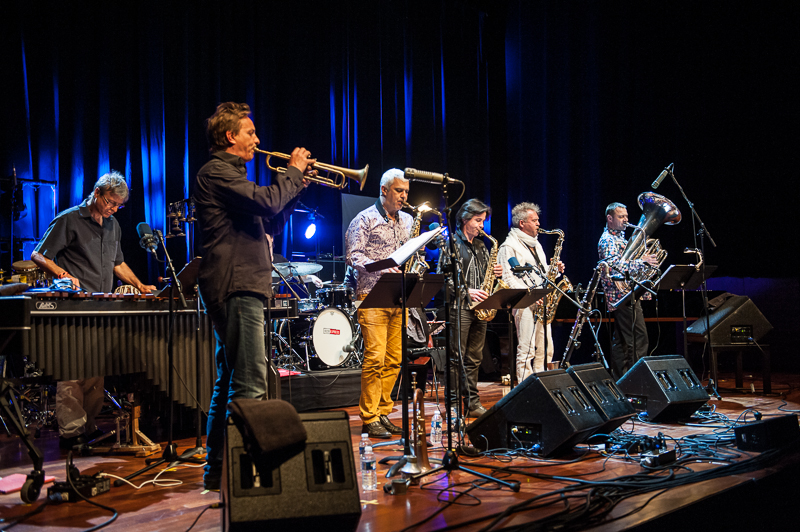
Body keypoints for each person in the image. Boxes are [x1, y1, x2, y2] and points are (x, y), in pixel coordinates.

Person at [194, 102, 311, 490]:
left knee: (230, 381)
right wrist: (292, 172)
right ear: (231, 136)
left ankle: (218, 472)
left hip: (242, 283)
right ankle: (245, 481)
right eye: (250, 133)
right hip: (236, 285)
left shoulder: (235, 179)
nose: (257, 140)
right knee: (250, 385)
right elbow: (267, 201)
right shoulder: (216, 172)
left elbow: (272, 218)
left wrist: (297, 187)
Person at [31, 171, 156, 448]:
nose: (114, 209)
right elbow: (38, 254)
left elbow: (117, 264)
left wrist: (139, 285)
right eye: (110, 202)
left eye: (119, 206)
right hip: (73, 307)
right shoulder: (69, 219)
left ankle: (88, 427)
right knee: (72, 371)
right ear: (97, 192)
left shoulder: (113, 225)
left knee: (95, 370)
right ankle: (71, 433)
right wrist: (62, 273)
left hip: (101, 308)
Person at [345, 168, 412, 439]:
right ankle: (370, 416)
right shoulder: (364, 219)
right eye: (399, 191)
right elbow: (353, 256)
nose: (404, 196)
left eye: (406, 191)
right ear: (384, 190)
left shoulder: (407, 220)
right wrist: (383, 267)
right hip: (371, 296)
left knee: (394, 359)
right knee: (375, 358)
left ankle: (383, 413)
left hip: (398, 296)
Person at [439, 198, 502, 418]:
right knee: (455, 359)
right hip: (460, 307)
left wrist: (495, 273)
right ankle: (453, 405)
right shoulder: (451, 243)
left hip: (480, 309)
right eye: (477, 220)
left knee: (474, 359)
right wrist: (467, 292)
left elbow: (485, 276)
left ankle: (472, 403)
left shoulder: (482, 246)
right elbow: (443, 279)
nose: (481, 226)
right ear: (465, 219)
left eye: (483, 221)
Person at [498, 202, 564, 382]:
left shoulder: (536, 244)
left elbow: (540, 273)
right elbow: (508, 279)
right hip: (524, 303)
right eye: (534, 220)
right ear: (522, 223)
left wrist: (554, 269)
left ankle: (543, 383)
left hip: (541, 301)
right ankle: (525, 387)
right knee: (526, 349)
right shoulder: (509, 246)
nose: (538, 224)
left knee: (545, 347)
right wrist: (529, 297)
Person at [598, 202, 659, 379]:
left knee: (622, 342)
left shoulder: (621, 239)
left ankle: (621, 380)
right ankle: (637, 380)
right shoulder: (608, 240)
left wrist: (646, 264)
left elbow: (628, 265)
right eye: (621, 217)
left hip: (627, 293)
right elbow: (614, 267)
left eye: (626, 216)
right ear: (610, 218)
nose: (626, 220)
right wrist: (642, 262)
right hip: (622, 295)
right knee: (638, 339)